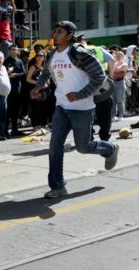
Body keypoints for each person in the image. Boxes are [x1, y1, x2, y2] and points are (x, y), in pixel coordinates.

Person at [31, 21, 119, 199]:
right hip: (62, 107)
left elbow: (100, 76)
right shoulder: (54, 54)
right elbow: (46, 73)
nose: (55, 35)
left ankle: (109, 149)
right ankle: (58, 186)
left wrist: (79, 94)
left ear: (69, 35)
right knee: (55, 147)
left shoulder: (79, 53)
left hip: (82, 109)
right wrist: (38, 86)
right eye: (55, 31)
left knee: (84, 147)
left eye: (59, 32)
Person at [3, 44, 26, 137]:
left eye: (15, 50)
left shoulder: (19, 61)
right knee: (8, 111)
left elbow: (24, 72)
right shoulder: (6, 61)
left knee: (16, 111)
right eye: (12, 50)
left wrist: (16, 75)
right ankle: (5, 131)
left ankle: (15, 129)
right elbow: (3, 73)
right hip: (8, 90)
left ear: (18, 51)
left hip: (17, 89)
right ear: (9, 51)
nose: (13, 51)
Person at [26, 50, 48, 131]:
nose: (38, 57)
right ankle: (36, 125)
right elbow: (28, 79)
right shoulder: (33, 67)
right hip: (35, 91)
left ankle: (42, 125)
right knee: (35, 108)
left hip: (43, 91)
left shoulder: (44, 67)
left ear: (44, 57)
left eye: (41, 56)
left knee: (43, 108)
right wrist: (39, 83)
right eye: (37, 55)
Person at [111, 51, 127, 122]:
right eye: (117, 56)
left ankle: (121, 115)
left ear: (123, 57)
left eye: (120, 56)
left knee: (120, 100)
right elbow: (111, 71)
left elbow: (116, 69)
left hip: (120, 83)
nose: (118, 57)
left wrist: (113, 65)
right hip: (113, 82)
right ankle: (113, 116)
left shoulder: (124, 64)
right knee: (113, 101)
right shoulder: (114, 63)